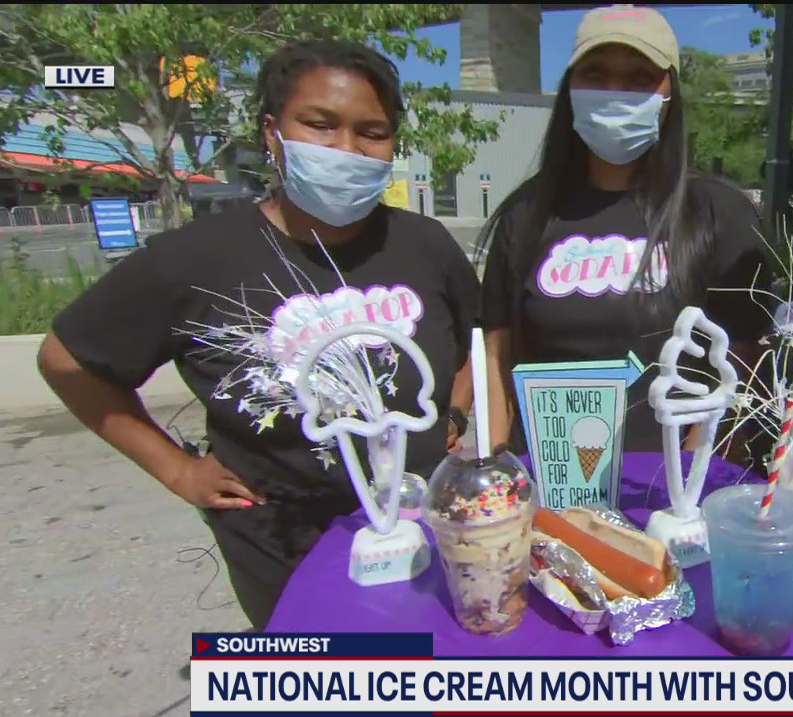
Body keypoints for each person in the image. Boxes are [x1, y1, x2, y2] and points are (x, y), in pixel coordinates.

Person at [36, 39, 479, 631]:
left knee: (428, 671)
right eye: (320, 124)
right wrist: (178, 470)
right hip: (281, 543)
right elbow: (68, 361)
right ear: (272, 132)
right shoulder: (193, 259)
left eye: (371, 132)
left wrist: (453, 416)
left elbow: (476, 338)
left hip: (424, 519)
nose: (346, 148)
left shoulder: (426, 244)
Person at [475, 5, 774, 455]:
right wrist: (498, 471)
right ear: (570, 88)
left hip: (670, 494)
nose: (614, 91)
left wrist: (689, 484)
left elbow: (741, 365)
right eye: (595, 74)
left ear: (670, 92)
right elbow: (495, 358)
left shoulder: (717, 212)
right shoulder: (526, 213)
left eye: (638, 77)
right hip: (546, 490)